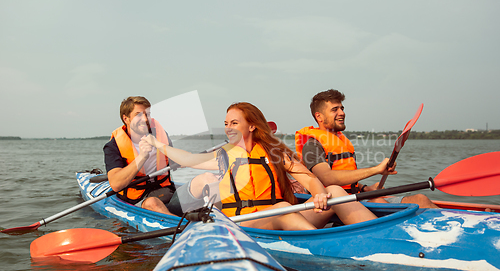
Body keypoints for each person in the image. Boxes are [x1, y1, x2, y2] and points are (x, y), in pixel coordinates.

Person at [143, 102, 378, 230]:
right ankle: (327, 248)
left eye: (235, 123)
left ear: (252, 126)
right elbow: (186, 159)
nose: (228, 128)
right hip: (244, 222)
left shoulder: (276, 152)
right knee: (282, 210)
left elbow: (308, 179)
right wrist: (157, 143)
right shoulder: (224, 155)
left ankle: (380, 234)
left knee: (336, 193)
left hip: (281, 215)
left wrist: (318, 194)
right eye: (226, 123)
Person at [295, 89, 438, 208]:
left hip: (357, 197)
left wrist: (365, 188)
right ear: (319, 117)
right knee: (379, 200)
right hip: (337, 205)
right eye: (335, 109)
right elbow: (326, 178)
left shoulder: (342, 140)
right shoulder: (312, 145)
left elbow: (346, 177)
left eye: (342, 108)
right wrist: (376, 170)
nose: (342, 113)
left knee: (421, 199)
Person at [104, 96, 179, 215]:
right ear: (126, 119)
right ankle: (183, 229)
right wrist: (142, 157)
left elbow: (177, 161)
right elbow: (116, 185)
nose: (144, 119)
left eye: (147, 114)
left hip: (166, 192)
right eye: (138, 115)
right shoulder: (113, 147)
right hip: (138, 200)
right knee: (153, 203)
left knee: (203, 181)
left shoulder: (161, 136)